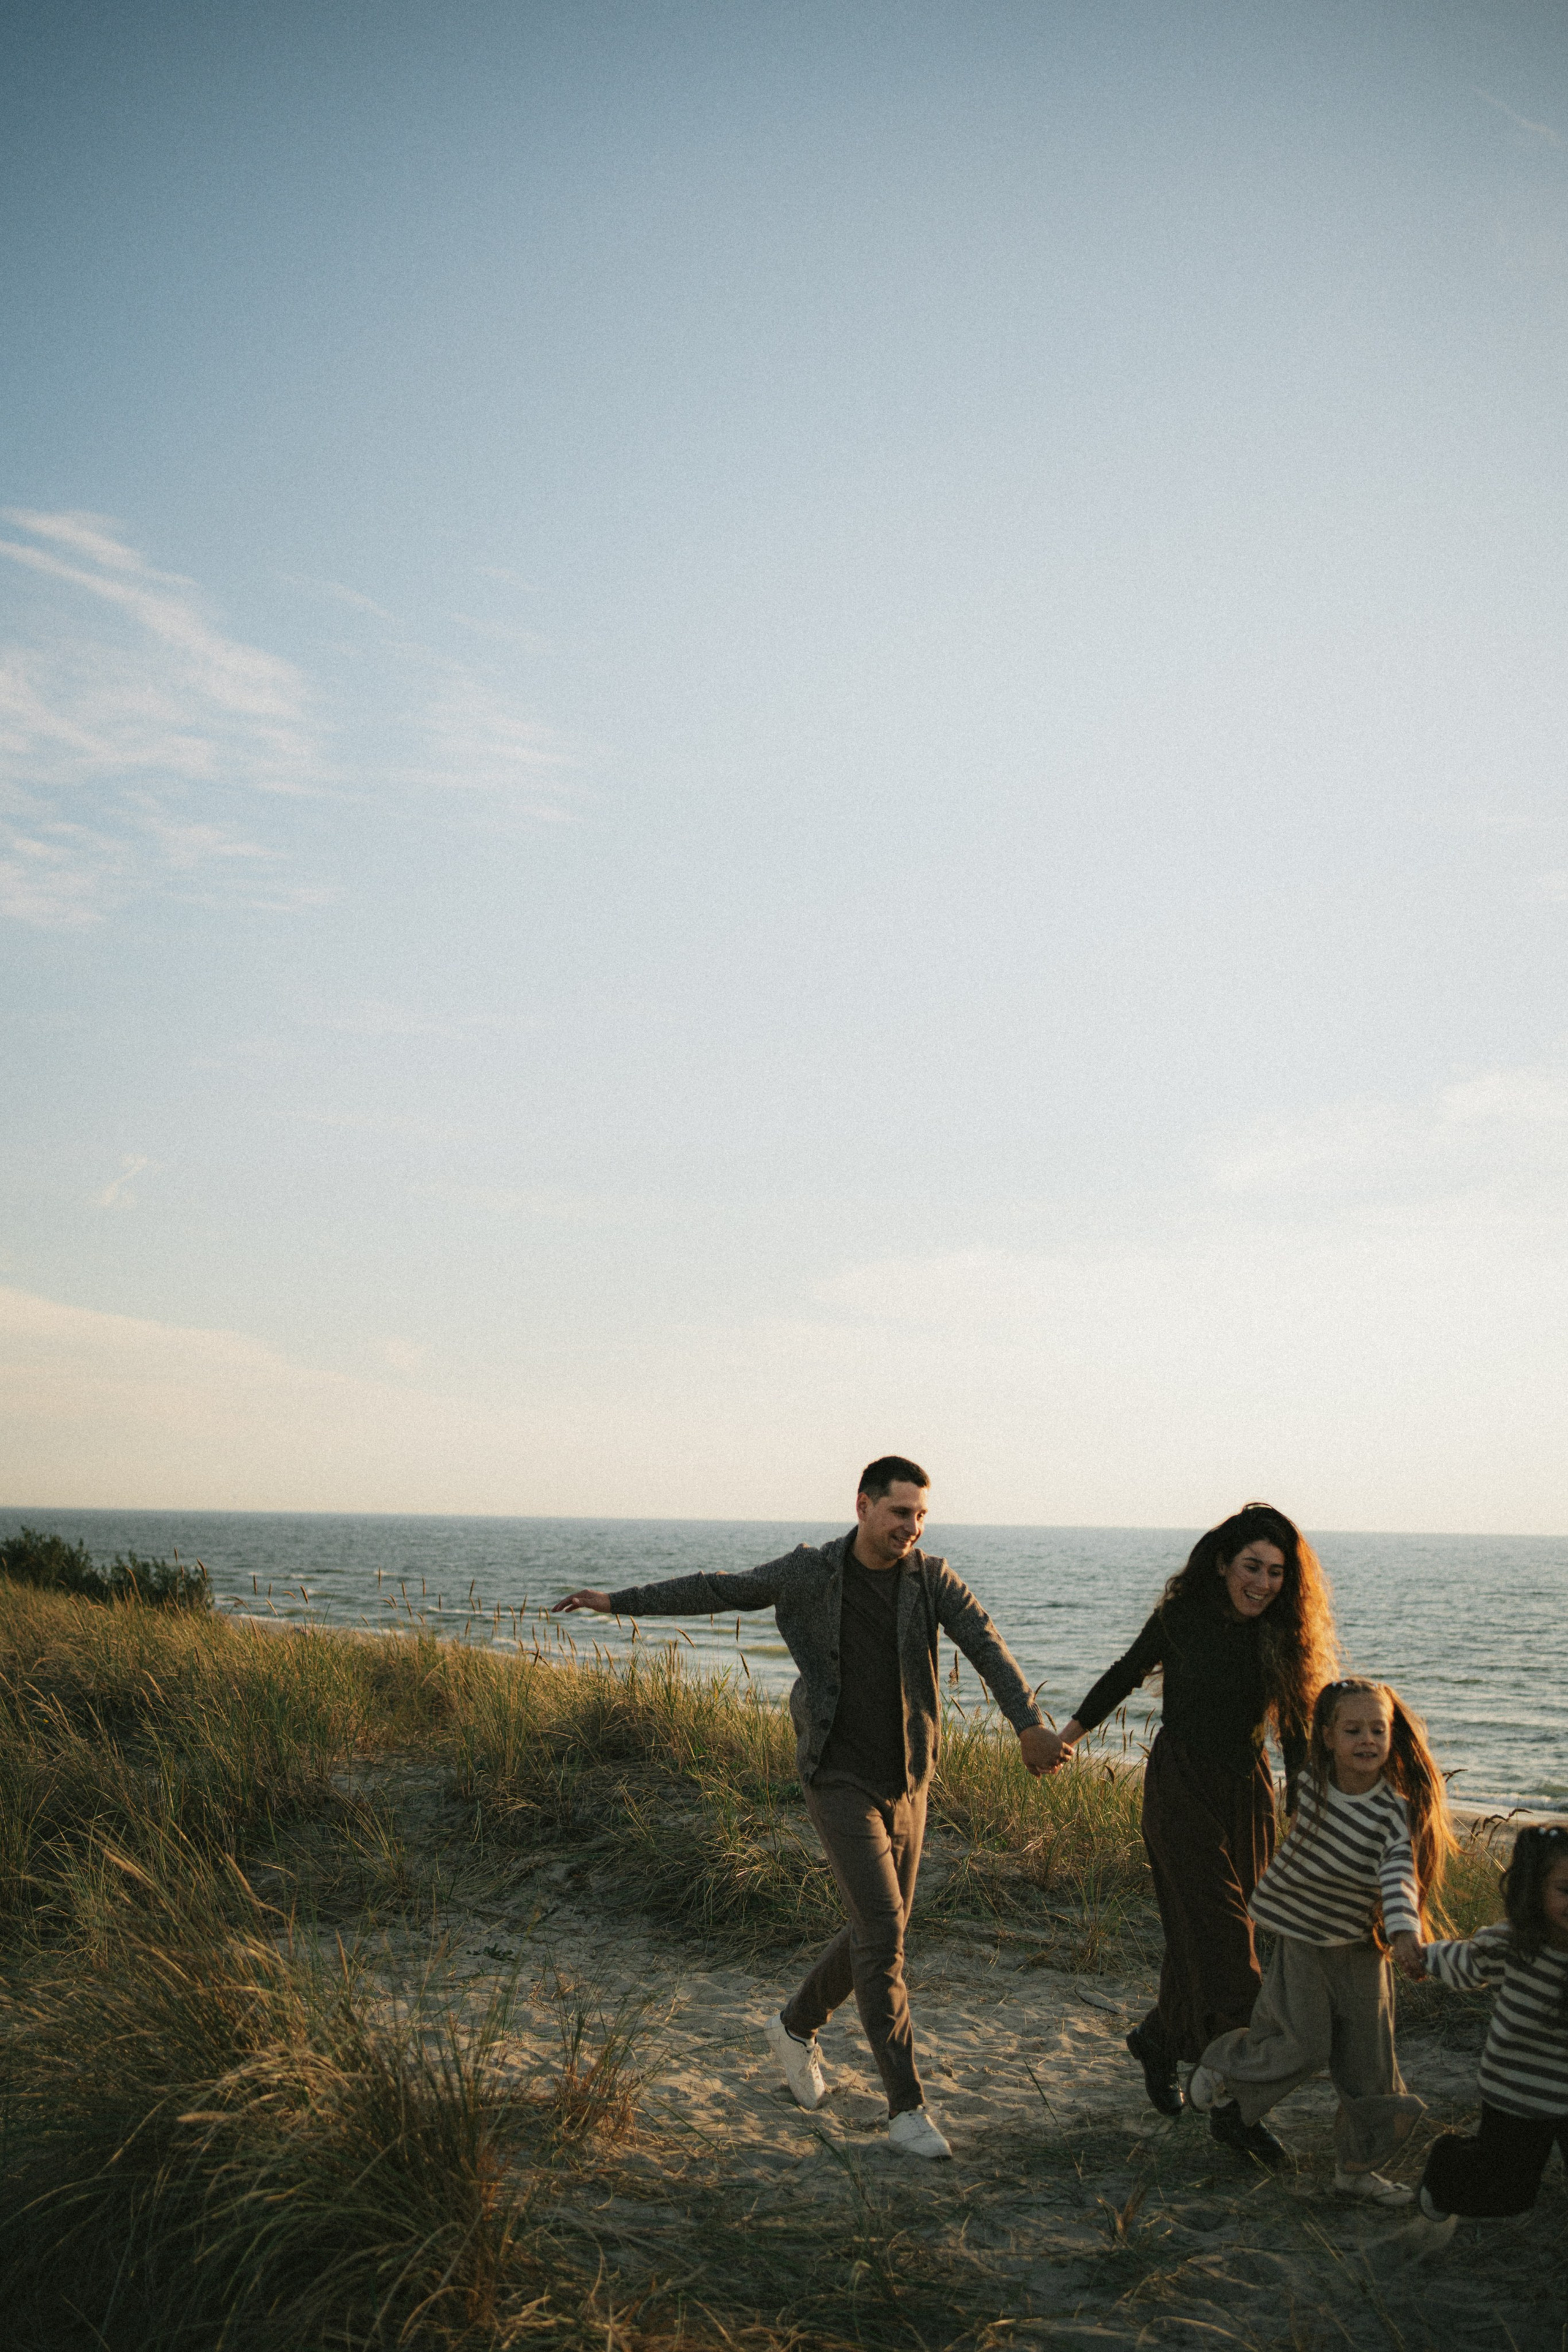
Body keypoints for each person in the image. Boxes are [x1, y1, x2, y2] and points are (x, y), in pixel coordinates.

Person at [555, 1455, 1057, 2160]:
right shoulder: (808, 1573)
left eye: (920, 1515)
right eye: (899, 1513)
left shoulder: (931, 1580)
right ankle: (906, 2109)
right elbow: (720, 1589)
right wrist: (617, 1602)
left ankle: (794, 2026)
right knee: (882, 1931)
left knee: (879, 1927)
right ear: (863, 1506)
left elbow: (986, 1646)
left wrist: (1027, 1723)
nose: (911, 1528)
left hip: (908, 1781)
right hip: (836, 1775)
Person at [1038, 1503, 1338, 2137]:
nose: (1263, 1583)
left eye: (1277, 1573)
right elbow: (1125, 1673)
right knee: (1224, 1939)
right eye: (1252, 1567)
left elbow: (1295, 1725)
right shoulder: (1181, 1616)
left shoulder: (1281, 1632)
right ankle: (1236, 2099)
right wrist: (1067, 1738)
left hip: (1247, 1792)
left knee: (1204, 1931)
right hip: (1180, 1784)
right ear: (1223, 1563)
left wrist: (1303, 1800)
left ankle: (1158, 2037)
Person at [1185, 1675, 1453, 2192]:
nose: (1367, 1740)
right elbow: (1287, 1725)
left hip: (1362, 1948)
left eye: (1378, 1730)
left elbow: (1399, 1874)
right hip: (1305, 1941)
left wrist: (1404, 1933)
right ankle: (1224, 2067)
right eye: (1353, 1730)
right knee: (1303, 2046)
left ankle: (1356, 2170)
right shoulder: (1310, 1784)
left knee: (1372, 2066)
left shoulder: (1393, 1812)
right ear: (1327, 1737)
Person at [1396, 1822, 1568, 2255]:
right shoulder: (1516, 1944)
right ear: (1537, 1890)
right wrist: (1421, 1957)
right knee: (1510, 2194)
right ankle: (1447, 2167)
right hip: (1518, 2090)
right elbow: (1466, 1961)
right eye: (1565, 1890)